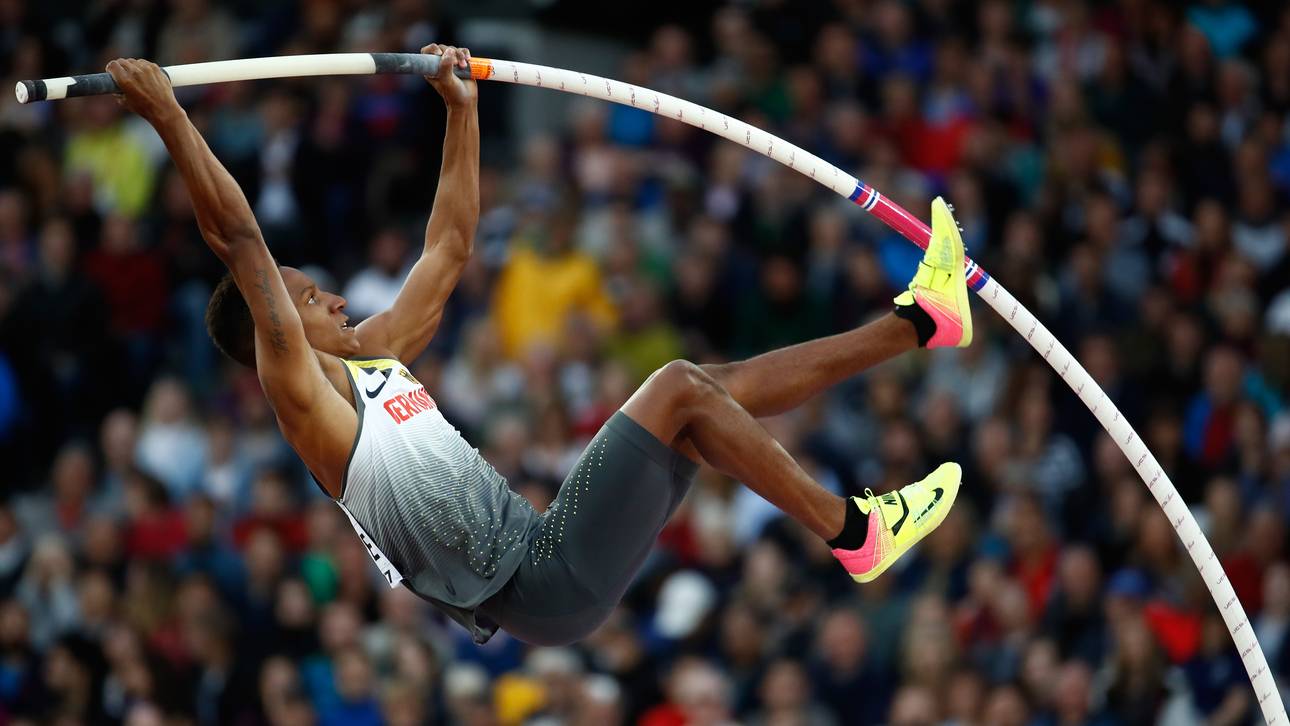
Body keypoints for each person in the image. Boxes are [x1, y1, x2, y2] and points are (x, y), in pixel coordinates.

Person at [105, 45, 971, 646]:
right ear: (276, 329)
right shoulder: (302, 396)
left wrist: (463, 112)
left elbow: (449, 250)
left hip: (547, 559)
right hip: (536, 583)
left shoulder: (371, 355)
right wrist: (169, 117)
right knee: (677, 384)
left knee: (708, 394)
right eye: (306, 297)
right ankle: (854, 531)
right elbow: (239, 241)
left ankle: (922, 322)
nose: (332, 297)